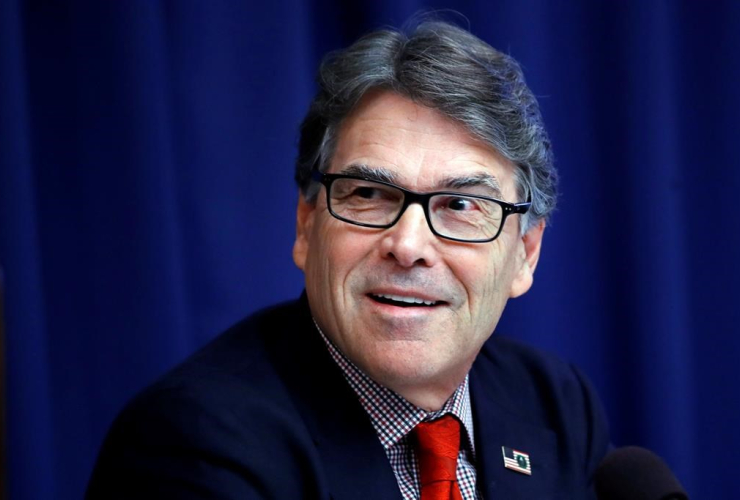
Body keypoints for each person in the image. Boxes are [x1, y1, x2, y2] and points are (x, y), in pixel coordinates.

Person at [87, 20, 610, 499]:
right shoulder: (192, 446)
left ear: (525, 253)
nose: (408, 246)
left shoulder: (556, 406)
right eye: (368, 194)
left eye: (460, 205)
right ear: (306, 225)